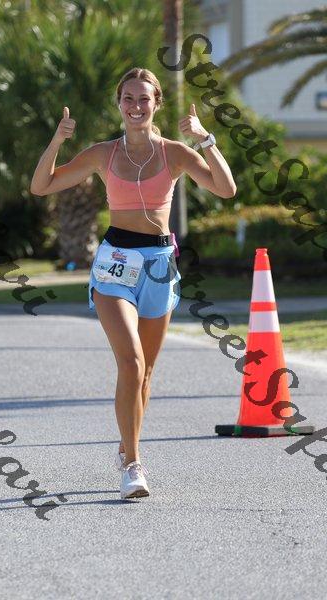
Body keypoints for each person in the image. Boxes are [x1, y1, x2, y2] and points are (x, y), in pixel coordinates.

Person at [30, 67, 236, 500]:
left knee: (146, 374)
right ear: (119, 104)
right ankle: (133, 465)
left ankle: (127, 445)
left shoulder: (175, 153)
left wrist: (205, 138)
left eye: (144, 98)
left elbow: (225, 189)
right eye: (128, 98)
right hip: (115, 265)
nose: (136, 106)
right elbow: (41, 185)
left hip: (159, 266)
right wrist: (57, 141)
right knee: (131, 363)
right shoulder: (103, 154)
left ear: (156, 104)